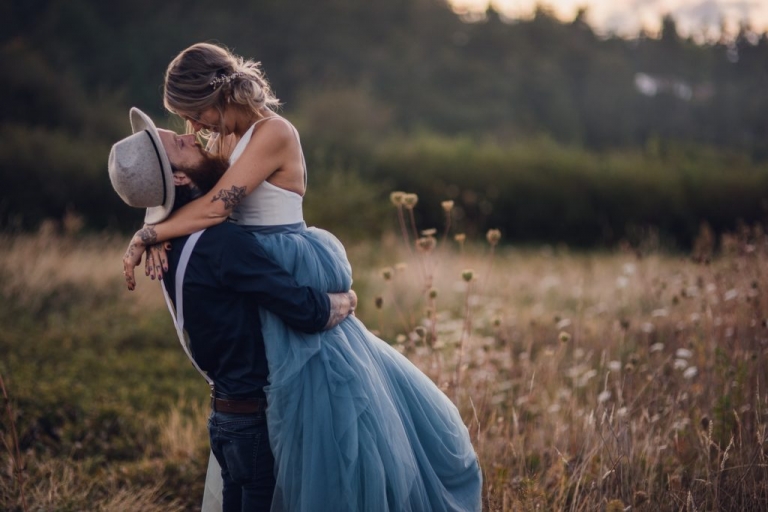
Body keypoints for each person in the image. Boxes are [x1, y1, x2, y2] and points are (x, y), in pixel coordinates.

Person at [122, 42, 482, 511]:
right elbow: (188, 195)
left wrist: (147, 234)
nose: (193, 128)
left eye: (193, 113)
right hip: (255, 271)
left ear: (218, 93)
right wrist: (159, 233)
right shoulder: (222, 140)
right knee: (277, 411)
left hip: (286, 264)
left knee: (321, 410)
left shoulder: (274, 132)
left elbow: (215, 208)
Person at [108, 107, 357, 511]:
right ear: (179, 178)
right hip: (252, 421)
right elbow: (307, 312)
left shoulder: (173, 246)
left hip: (225, 416)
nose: (192, 137)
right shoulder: (221, 244)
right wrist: (347, 300)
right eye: (178, 143)